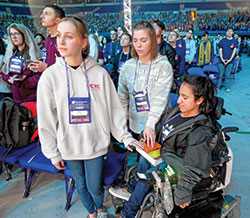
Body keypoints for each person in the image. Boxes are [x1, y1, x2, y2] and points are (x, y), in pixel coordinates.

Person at [37, 16, 140, 218]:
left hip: (95, 145)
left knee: (95, 186)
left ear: (83, 42)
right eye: (59, 36)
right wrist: (52, 152)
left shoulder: (99, 74)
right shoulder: (50, 76)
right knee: (80, 184)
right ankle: (92, 212)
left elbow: (114, 111)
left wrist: (125, 136)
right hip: (69, 146)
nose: (61, 41)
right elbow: (46, 120)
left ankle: (99, 206)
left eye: (69, 36)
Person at [110, 75, 217, 218]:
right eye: (179, 95)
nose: (179, 101)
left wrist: (184, 190)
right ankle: (131, 189)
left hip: (172, 165)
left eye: (185, 98)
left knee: (147, 177)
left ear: (200, 100)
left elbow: (194, 163)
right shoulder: (177, 111)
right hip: (159, 153)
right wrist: (148, 134)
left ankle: (127, 213)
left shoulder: (200, 130)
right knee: (143, 163)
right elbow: (162, 127)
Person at [117, 20, 173, 148]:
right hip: (134, 123)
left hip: (157, 124)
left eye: (143, 40)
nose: (138, 45)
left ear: (152, 40)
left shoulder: (163, 66)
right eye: (135, 40)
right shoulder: (128, 66)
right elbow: (122, 94)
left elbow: (160, 98)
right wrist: (123, 114)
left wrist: (150, 124)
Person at [1, 23, 42, 103]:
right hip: (16, 98)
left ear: (24, 35)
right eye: (11, 34)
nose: (14, 37)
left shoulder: (33, 53)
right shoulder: (11, 54)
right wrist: (10, 79)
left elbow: (39, 76)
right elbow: (3, 72)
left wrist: (22, 82)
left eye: (16, 33)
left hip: (32, 99)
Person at [31, 5, 65, 72]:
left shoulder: (64, 40)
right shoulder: (47, 40)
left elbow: (71, 67)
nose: (41, 16)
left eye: (47, 14)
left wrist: (46, 66)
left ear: (57, 20)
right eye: (42, 13)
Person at [217, 28, 238, 94]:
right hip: (221, 61)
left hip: (230, 61)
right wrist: (222, 59)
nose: (229, 32)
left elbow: (234, 52)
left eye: (230, 31)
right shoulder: (222, 41)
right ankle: (218, 87)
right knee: (220, 75)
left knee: (227, 76)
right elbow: (220, 50)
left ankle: (227, 88)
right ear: (226, 32)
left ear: (232, 33)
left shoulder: (235, 41)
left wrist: (229, 60)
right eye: (228, 31)